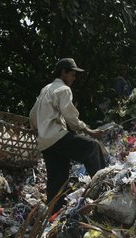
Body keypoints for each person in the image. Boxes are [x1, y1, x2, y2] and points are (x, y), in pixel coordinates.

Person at [29, 58, 107, 212]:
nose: (74, 78)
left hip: (45, 142)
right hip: (57, 136)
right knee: (92, 147)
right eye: (72, 74)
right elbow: (71, 117)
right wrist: (88, 131)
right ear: (63, 72)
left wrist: (37, 129)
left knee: (57, 179)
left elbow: (33, 114)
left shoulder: (46, 89)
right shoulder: (63, 89)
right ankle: (102, 190)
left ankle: (53, 213)